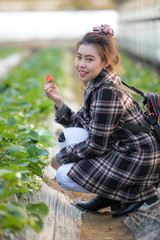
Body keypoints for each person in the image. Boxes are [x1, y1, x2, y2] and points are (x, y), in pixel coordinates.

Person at [44, 24, 160, 217]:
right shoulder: (98, 83)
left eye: (89, 59)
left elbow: (96, 147)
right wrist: (58, 101)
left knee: (64, 175)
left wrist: (60, 158)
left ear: (105, 62)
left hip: (138, 159)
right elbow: (79, 124)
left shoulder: (106, 92)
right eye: (79, 57)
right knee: (69, 137)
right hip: (124, 149)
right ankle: (111, 194)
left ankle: (135, 192)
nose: (81, 64)